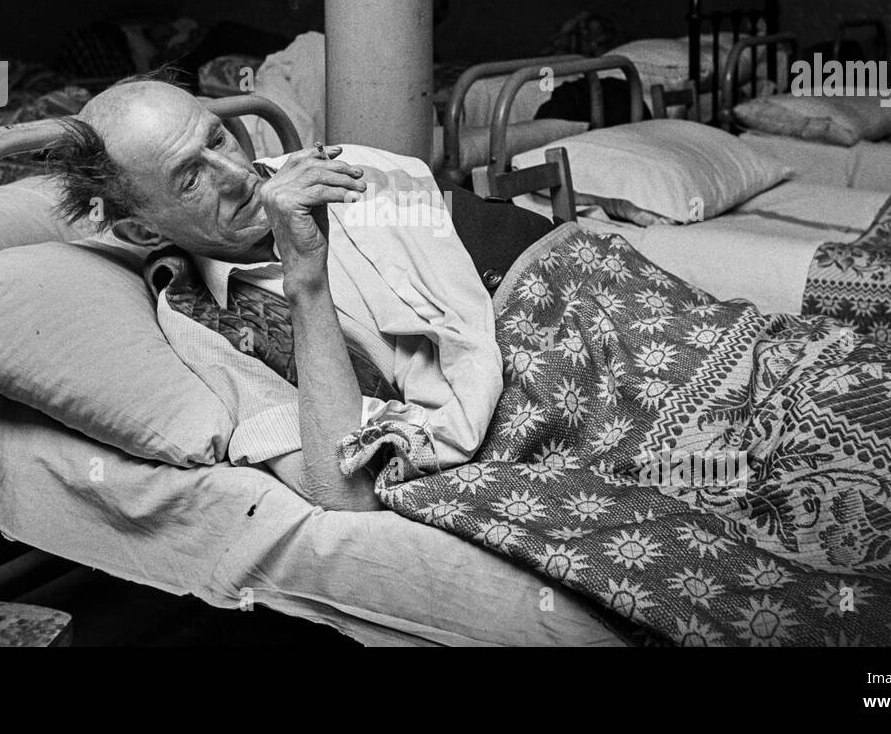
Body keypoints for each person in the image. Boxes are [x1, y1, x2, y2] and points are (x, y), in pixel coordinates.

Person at [47, 76, 553, 511]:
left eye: (218, 139)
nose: (238, 175)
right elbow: (341, 490)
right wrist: (305, 276)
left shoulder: (334, 166)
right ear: (143, 233)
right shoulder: (204, 318)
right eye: (191, 178)